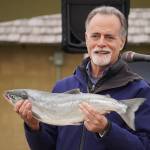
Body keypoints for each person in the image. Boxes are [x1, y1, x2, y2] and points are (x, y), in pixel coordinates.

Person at [15, 6, 150, 150]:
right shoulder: (61, 87)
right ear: (86, 39)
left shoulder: (141, 90)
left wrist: (107, 129)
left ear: (122, 42)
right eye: (95, 36)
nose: (101, 43)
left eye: (109, 37)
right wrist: (33, 127)